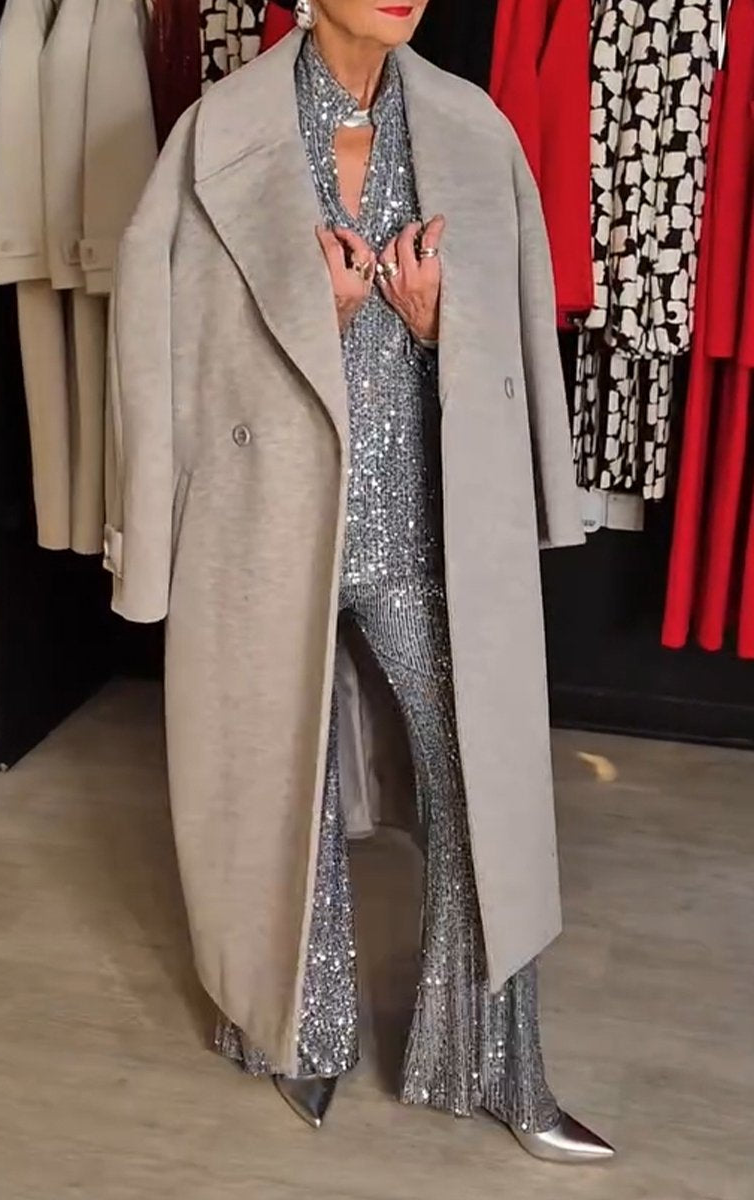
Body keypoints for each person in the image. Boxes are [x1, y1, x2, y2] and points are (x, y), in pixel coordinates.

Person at [105, 0, 614, 1165]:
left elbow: (515, 325)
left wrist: (436, 326)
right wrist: (317, 316)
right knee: (279, 783)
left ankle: (499, 1066)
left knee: (480, 781)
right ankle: (296, 1029)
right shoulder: (217, 133)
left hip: (420, 523)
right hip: (267, 517)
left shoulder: (471, 128)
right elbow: (162, 349)